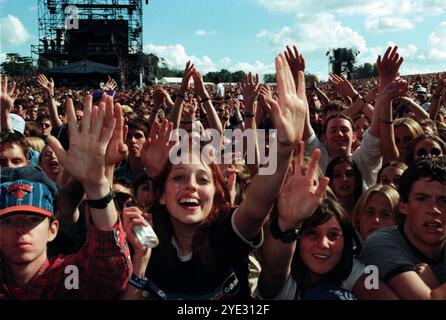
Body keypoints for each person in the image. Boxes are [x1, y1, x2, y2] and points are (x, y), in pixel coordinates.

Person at [121, 53, 308, 300]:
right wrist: (140, 263)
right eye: (178, 178)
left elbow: (257, 205)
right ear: (162, 195)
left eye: (203, 179)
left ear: (217, 195)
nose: (190, 186)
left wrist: (284, 149)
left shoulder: (228, 231)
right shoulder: (145, 236)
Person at [0, 94, 132, 299]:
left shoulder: (68, 277)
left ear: (53, 229)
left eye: (33, 219)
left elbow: (111, 272)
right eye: (8, 221)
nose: (20, 230)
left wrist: (97, 187)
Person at [257, 144, 397, 300]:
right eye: (312, 234)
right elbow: (275, 270)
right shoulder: (284, 280)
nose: (324, 244)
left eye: (333, 235)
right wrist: (288, 224)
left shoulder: (350, 267)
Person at [361, 156, 446, 299]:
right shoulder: (380, 243)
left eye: (444, 200)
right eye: (421, 198)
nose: (434, 209)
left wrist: (436, 287)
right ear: (403, 205)